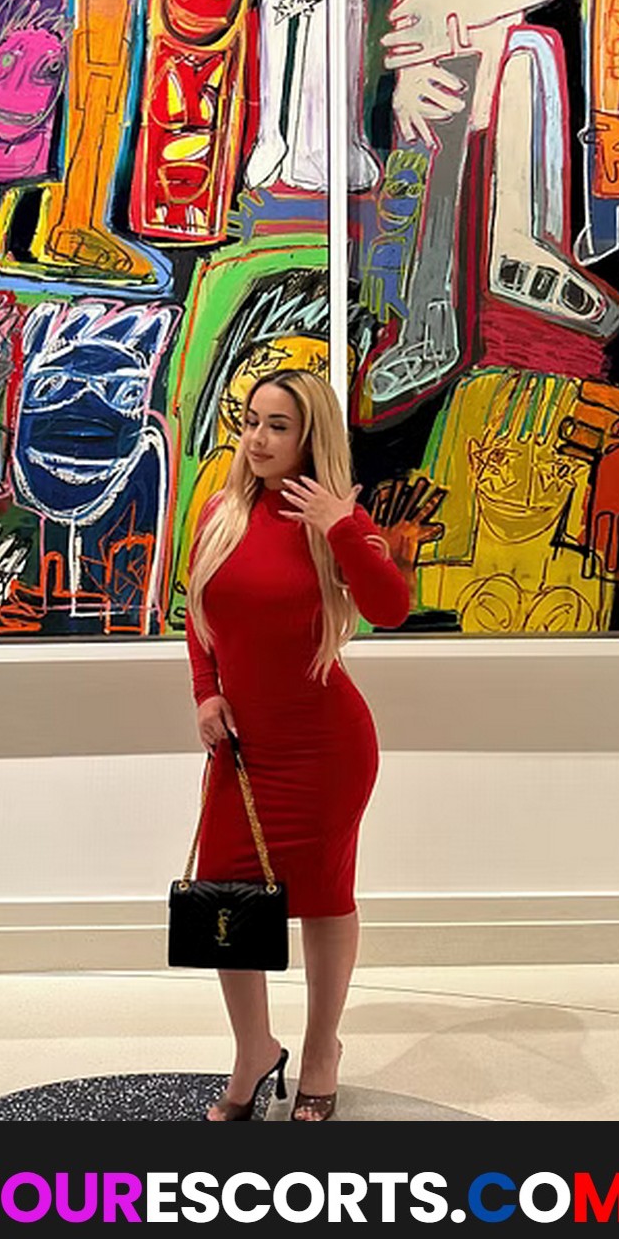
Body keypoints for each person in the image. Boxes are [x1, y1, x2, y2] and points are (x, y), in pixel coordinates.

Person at [184, 368, 412, 1120]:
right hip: (244, 752)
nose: (257, 439)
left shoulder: (337, 520)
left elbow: (391, 607)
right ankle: (254, 1049)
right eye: (251, 421)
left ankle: (320, 1051)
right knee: (224, 899)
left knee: (323, 897)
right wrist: (206, 692)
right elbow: (199, 616)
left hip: (325, 750)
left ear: (311, 439)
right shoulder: (220, 513)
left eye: (278, 426)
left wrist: (341, 527)